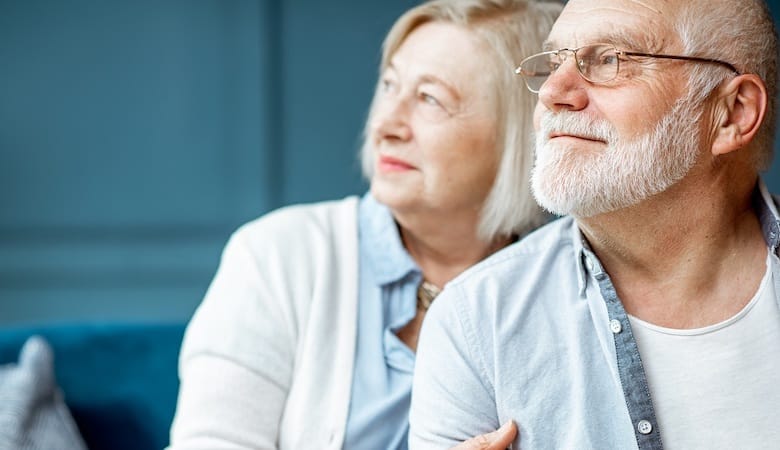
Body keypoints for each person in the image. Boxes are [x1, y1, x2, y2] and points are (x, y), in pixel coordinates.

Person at [166, 1, 561, 448]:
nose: (385, 124)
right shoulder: (278, 255)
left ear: (522, 135)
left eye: (430, 99)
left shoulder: (567, 286)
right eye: (390, 85)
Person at [410, 0, 780, 448]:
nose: (552, 92)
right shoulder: (473, 321)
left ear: (733, 112)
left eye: (610, 60)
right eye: (553, 63)